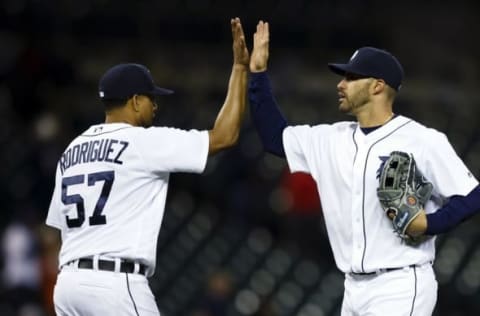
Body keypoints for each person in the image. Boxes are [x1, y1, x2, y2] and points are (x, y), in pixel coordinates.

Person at [247, 21, 480, 315]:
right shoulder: (330, 139)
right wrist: (257, 75)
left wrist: (431, 224)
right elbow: (273, 138)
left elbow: (473, 196)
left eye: (351, 77)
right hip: (353, 288)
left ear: (377, 85)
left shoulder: (423, 140)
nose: (340, 84)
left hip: (400, 284)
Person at [45, 17, 249, 316]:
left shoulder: (72, 150)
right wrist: (240, 69)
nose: (156, 105)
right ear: (135, 101)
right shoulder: (143, 142)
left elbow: (57, 227)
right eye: (151, 98)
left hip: (68, 286)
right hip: (114, 283)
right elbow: (225, 136)